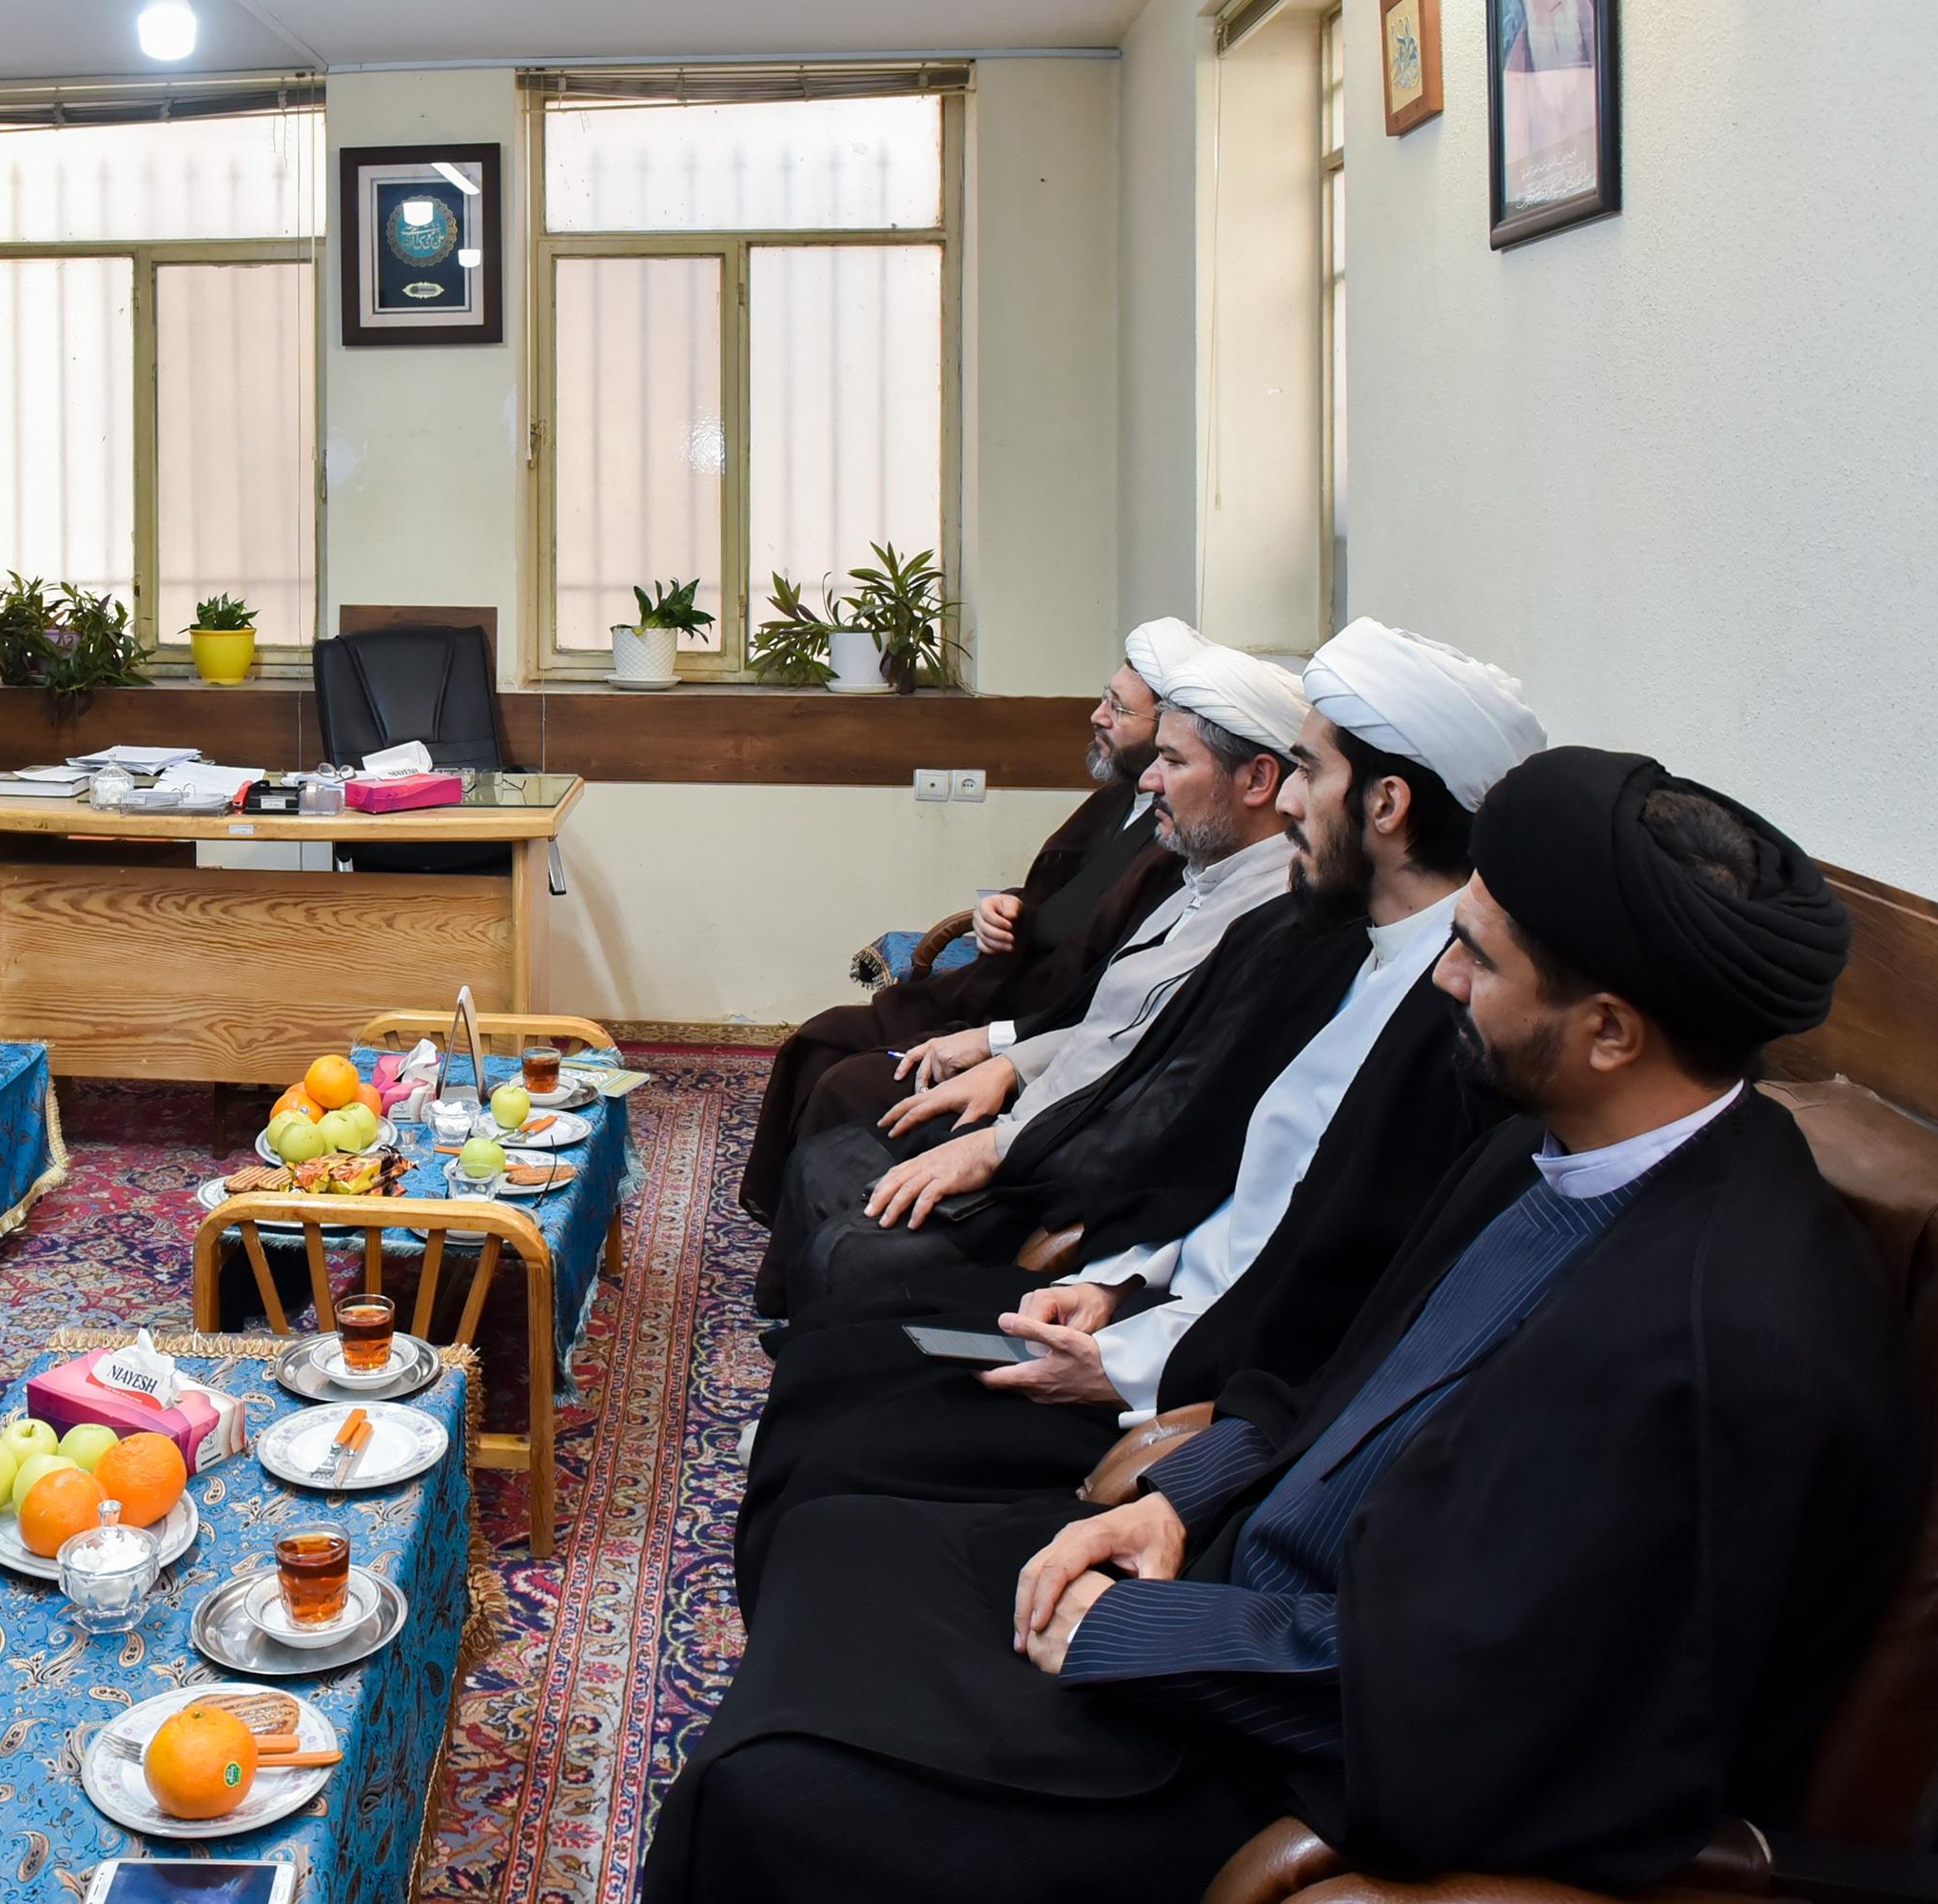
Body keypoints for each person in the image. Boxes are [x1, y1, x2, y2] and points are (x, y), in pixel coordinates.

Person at [646, 748, 1919, 1904]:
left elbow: (1496, 1708)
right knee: (838, 1535)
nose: (1446, 981)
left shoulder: (1715, 1337)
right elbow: (1341, 1377)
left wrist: (1131, 1632)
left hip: (1283, 1756)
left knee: (774, 1791)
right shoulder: (1551, 1147)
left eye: (1480, 960)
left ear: (1608, 1030)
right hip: (1230, 1585)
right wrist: (1179, 1499)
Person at [732, 622, 1545, 1609]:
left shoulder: (1441, 1021)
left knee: (837, 1436)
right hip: (1145, 1305)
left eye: (1307, 772)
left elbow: (1329, 1297)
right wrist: (1119, 1283)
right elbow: (1231, 1181)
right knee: (830, 1352)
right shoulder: (1353, 946)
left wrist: (1128, 1354)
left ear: (1385, 804)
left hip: (1187, 1380)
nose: (1288, 802)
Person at [753, 642, 1311, 1318]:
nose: (1147, 782)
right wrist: (1012, 1062)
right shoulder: (1203, 873)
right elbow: (1105, 1010)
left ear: (1258, 780)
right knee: (822, 1155)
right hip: (1035, 1095)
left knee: (848, 1242)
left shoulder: (1275, 920)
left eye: (1172, 761)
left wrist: (1001, 1130)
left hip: (1068, 1163)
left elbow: (1165, 1098)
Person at [739, 619, 1203, 1222]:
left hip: (1032, 1025)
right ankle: (793, 1221)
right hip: (1001, 986)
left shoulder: (1177, 841)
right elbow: (1064, 896)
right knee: (820, 1039)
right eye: (1104, 699)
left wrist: (999, 1042)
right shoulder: (1123, 795)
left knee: (846, 1083)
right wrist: (1003, 908)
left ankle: (832, 1234)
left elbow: (1112, 995)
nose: (1097, 716)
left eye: (1118, 708)